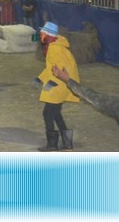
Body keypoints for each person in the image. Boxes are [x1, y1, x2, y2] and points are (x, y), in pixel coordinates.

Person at [34, 22, 79, 152]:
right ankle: (67, 144)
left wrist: (51, 83)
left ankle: (52, 145)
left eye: (42, 33)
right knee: (55, 113)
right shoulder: (55, 46)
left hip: (59, 85)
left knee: (48, 113)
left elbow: (59, 69)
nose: (41, 35)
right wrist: (40, 78)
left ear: (48, 35)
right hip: (62, 84)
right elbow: (51, 68)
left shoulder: (55, 48)